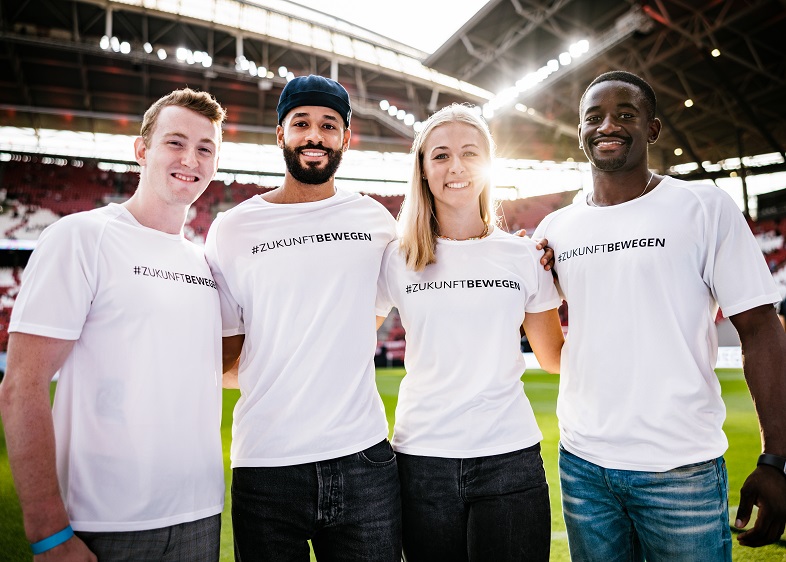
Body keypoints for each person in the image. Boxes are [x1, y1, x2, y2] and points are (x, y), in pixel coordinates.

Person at [533, 70, 786, 561]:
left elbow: (760, 330)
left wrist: (775, 458)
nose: (608, 125)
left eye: (625, 114)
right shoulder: (555, 228)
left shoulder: (703, 207)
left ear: (652, 129)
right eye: (594, 117)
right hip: (583, 467)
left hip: (681, 469)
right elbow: (541, 331)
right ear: (581, 132)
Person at [0, 88, 227, 561]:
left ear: (215, 163)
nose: (190, 159)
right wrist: (48, 533)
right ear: (142, 150)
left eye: (205, 149)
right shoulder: (82, 237)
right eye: (175, 142)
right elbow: (22, 385)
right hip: (105, 521)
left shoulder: (206, 263)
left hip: (200, 514)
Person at [204, 75, 402, 561]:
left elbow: (380, 309)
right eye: (301, 123)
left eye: (329, 125)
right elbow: (225, 357)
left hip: (363, 459)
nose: (315, 135)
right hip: (267, 465)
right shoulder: (233, 229)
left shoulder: (376, 221)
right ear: (280, 133)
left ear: (346, 138)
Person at [375, 103, 565, 561]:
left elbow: (555, 358)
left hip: (509, 458)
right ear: (422, 169)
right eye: (440, 155)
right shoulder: (396, 258)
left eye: (470, 153)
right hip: (422, 460)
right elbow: (346, 342)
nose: (456, 166)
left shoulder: (524, 255)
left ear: (488, 164)